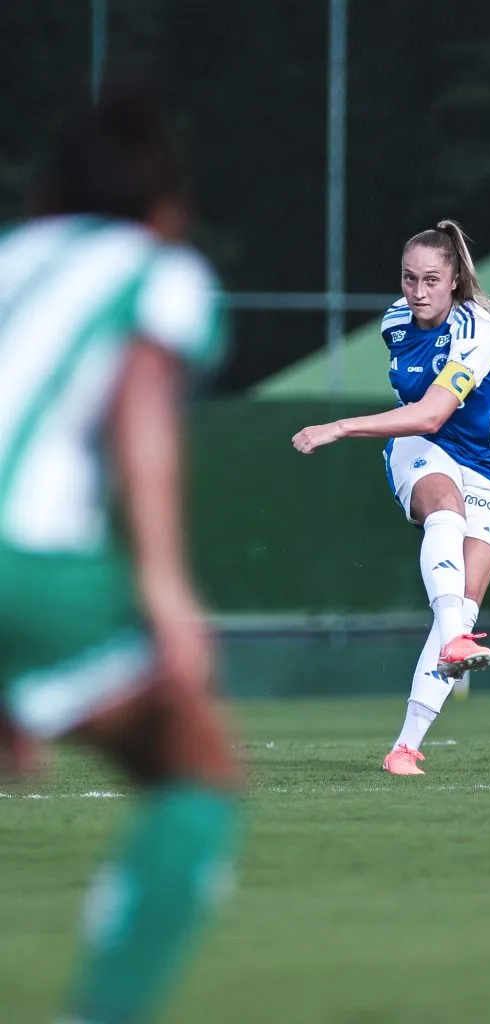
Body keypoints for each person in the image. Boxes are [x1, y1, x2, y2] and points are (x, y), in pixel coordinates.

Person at [0, 73, 240, 1023]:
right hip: (29, 563)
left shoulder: (12, 257)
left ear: (46, 194)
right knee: (194, 774)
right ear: (166, 207)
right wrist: (166, 590)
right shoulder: (155, 268)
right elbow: (141, 418)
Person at [292, 220, 490, 776]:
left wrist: (339, 427)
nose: (417, 291)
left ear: (454, 280)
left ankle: (404, 748)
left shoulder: (480, 330)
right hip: (422, 449)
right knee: (444, 510)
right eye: (409, 278)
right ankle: (457, 640)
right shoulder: (396, 321)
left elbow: (435, 410)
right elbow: (423, 424)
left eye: (431, 280)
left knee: (461, 606)